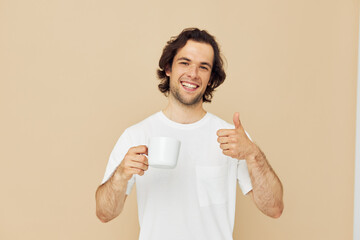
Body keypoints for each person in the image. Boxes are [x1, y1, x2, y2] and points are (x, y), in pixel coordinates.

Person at [95, 28, 284, 240]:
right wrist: (120, 174)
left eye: (203, 67)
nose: (193, 74)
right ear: (168, 68)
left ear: (211, 78)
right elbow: (104, 213)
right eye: (185, 63)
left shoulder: (232, 139)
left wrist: (252, 154)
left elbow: (274, 208)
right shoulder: (136, 135)